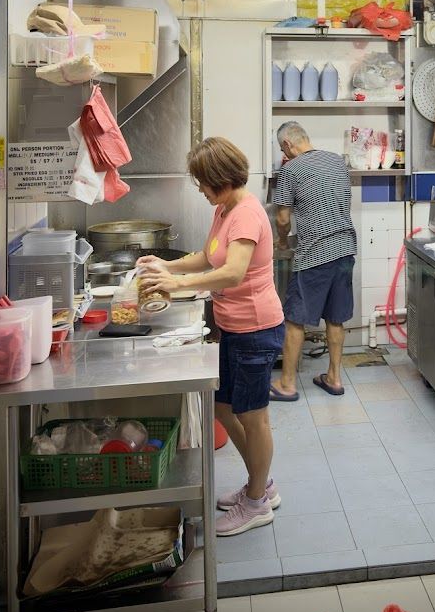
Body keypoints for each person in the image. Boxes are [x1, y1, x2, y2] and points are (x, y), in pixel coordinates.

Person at [137, 137, 285, 536]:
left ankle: (256, 502)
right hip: (233, 327)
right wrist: (166, 265)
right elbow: (209, 257)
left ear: (220, 178)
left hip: (255, 328)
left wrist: (176, 285)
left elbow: (233, 272)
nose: (201, 190)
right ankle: (261, 484)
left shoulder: (247, 214)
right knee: (222, 407)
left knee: (254, 418)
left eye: (203, 182)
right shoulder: (225, 209)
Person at [270, 121, 356, 401]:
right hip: (345, 248)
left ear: (286, 146)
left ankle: (286, 384)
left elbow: (282, 218)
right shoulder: (337, 161)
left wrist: (282, 242)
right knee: (335, 316)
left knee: (295, 319)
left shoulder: (290, 169)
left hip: (315, 254)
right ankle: (333, 378)